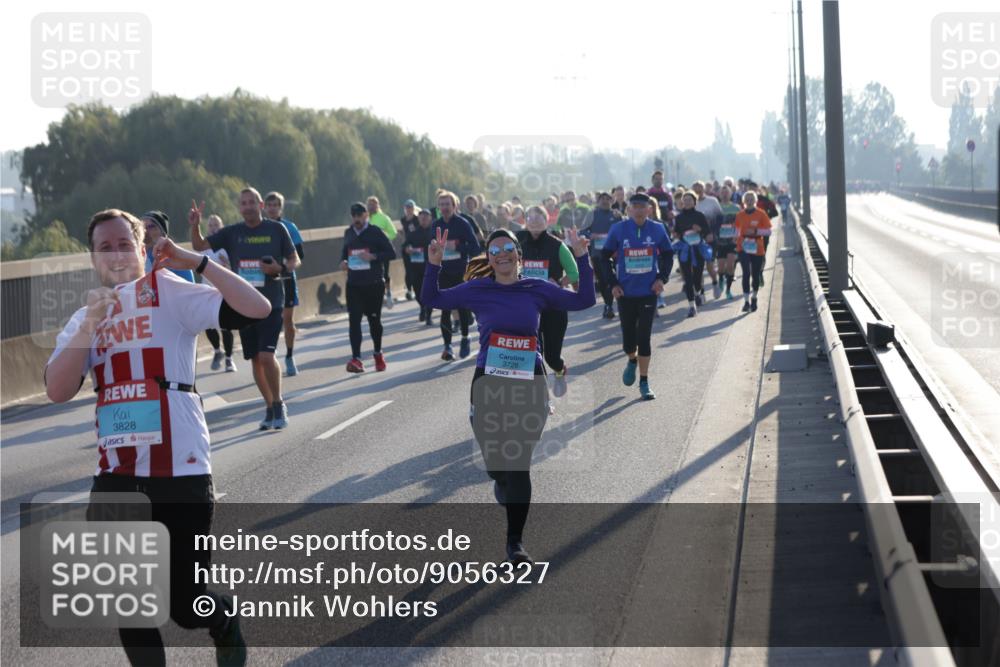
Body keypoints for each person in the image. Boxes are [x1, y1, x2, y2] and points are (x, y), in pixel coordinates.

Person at [46, 208, 272, 667]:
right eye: (104, 247)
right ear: (92, 258)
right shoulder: (84, 317)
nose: (115, 254)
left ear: (142, 250)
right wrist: (91, 323)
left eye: (124, 244)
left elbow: (257, 309)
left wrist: (198, 261)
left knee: (187, 607)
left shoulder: (168, 292)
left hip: (181, 469)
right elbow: (56, 389)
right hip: (116, 479)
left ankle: (223, 623)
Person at [422, 226, 595, 564]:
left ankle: (514, 544)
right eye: (493, 249)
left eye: (506, 247)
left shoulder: (537, 288)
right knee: (497, 464)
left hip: (528, 381)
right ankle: (498, 475)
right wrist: (434, 265)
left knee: (518, 465)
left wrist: (582, 258)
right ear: (489, 257)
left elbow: (584, 300)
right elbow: (432, 299)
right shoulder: (477, 289)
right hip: (488, 381)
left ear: (519, 254)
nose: (500, 253)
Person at [190, 188, 299, 430]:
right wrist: (195, 225)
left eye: (252, 202)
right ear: (240, 207)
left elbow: (294, 260)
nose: (248, 206)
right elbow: (199, 246)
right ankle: (269, 406)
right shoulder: (232, 233)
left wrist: (279, 269)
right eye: (244, 203)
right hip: (243, 306)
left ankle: (279, 403)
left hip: (271, 302)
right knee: (255, 361)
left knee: (267, 355)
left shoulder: (276, 229)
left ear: (260, 205)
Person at [600, 193, 674, 400]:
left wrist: (662, 279)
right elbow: (604, 257)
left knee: (644, 336)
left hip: (649, 292)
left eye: (643, 207)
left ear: (649, 209)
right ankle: (632, 359)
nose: (640, 210)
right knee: (628, 342)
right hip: (625, 293)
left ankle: (644, 381)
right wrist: (613, 283)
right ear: (629, 209)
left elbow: (668, 254)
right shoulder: (618, 229)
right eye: (635, 207)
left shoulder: (657, 229)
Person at [516, 206, 580, 397]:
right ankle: (541, 396)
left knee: (551, 357)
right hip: (527, 309)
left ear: (546, 221)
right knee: (532, 356)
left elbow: (574, 273)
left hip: (553, 308)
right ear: (525, 221)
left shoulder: (557, 245)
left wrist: (560, 282)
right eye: (531, 217)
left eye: (539, 217)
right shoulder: (518, 242)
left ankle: (559, 370)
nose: (534, 221)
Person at [341, 202, 396, 372]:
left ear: (366, 215)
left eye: (360, 215)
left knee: (374, 321)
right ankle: (356, 358)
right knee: (354, 321)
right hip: (354, 284)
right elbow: (345, 253)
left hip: (373, 284)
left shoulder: (375, 232)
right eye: (354, 215)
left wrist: (373, 256)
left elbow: (391, 253)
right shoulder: (349, 232)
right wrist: (343, 262)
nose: (357, 218)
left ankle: (378, 353)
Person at [431, 191, 481, 360]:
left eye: (447, 204)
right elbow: (429, 248)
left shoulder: (462, 224)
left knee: (462, 306)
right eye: (442, 204)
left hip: (460, 271)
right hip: (443, 271)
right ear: (439, 207)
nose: (444, 207)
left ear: (454, 206)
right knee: (445, 308)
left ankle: (466, 337)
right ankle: (447, 347)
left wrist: (456, 247)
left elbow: (475, 248)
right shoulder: (435, 225)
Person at [263, 191, 305, 377]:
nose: (272, 209)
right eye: (269, 205)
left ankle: (289, 356)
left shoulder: (289, 227)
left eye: (276, 206)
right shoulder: (259, 228)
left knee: (287, 321)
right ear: (264, 207)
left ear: (281, 208)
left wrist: (283, 266)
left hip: (286, 279)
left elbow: (300, 255)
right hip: (264, 281)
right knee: (267, 320)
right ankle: (268, 353)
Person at [201, 214, 236, 372]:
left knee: (225, 326)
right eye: (210, 225)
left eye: (216, 225)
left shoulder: (226, 246)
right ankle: (217, 351)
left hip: (225, 291)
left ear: (221, 227)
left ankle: (229, 359)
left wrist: (227, 262)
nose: (213, 228)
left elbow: (235, 269)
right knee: (208, 324)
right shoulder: (202, 246)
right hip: (208, 290)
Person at [580, 191, 620, 319]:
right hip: (598, 254)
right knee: (603, 281)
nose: (605, 201)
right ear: (598, 201)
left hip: (615, 253)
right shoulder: (592, 214)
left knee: (612, 278)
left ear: (611, 201)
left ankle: (610, 304)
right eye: (602, 199)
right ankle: (608, 304)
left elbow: (624, 231)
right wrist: (590, 235)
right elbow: (583, 230)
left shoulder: (616, 215)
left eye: (607, 199)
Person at [673, 191, 712, 318]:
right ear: (682, 203)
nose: (687, 202)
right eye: (685, 200)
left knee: (697, 278)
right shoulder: (679, 218)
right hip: (685, 249)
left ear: (694, 202)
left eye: (690, 200)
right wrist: (676, 235)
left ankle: (699, 291)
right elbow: (676, 232)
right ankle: (692, 306)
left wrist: (700, 229)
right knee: (688, 279)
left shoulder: (700, 216)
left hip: (698, 249)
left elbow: (707, 232)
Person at [735, 191, 772, 313]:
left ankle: (754, 297)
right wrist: (735, 238)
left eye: (752, 199)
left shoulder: (761, 214)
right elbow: (736, 231)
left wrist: (756, 232)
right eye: (747, 199)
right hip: (743, 247)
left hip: (757, 247)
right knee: (746, 273)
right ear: (744, 202)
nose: (749, 201)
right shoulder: (740, 215)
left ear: (755, 201)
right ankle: (746, 301)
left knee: (755, 274)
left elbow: (768, 232)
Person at [403, 208, 436, 325]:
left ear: (430, 218)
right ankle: (423, 307)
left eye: (426, 217)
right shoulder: (413, 233)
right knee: (418, 292)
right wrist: (408, 249)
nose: (424, 219)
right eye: (421, 217)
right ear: (419, 219)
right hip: (416, 267)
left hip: (431, 266)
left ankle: (428, 314)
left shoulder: (435, 232)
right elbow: (405, 245)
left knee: (429, 291)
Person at [692, 180, 724, 299]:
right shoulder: (691, 204)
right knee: (698, 267)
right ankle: (701, 292)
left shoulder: (712, 201)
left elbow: (720, 218)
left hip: (710, 237)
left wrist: (713, 233)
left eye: (700, 187)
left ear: (704, 188)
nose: (698, 190)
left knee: (710, 264)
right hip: (696, 239)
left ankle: (715, 283)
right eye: (695, 188)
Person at [141, 211, 194, 282]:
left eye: (151, 226)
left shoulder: (177, 258)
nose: (145, 231)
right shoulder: (136, 258)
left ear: (163, 232)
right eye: (142, 227)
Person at [366, 196, 398, 308]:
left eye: (373, 204)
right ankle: (377, 295)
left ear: (378, 205)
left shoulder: (384, 218)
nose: (371, 207)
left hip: (383, 251)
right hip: (369, 253)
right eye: (369, 204)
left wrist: (383, 239)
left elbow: (393, 233)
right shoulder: (365, 219)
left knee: (385, 273)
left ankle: (388, 292)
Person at [715, 185, 741, 299]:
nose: (725, 194)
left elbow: (740, 224)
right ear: (719, 194)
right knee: (721, 268)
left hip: (732, 240)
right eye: (722, 193)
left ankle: (728, 290)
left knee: (730, 266)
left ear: (730, 194)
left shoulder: (736, 208)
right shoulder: (716, 208)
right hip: (720, 242)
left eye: (727, 192)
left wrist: (738, 236)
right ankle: (721, 278)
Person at [400, 199, 421, 301]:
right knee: (408, 269)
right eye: (407, 208)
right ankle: (409, 290)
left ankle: (419, 288)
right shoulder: (403, 220)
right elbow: (404, 232)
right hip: (407, 246)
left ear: (414, 208)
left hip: (417, 247)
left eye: (410, 208)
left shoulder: (418, 219)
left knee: (416, 269)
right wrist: (405, 244)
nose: (408, 210)